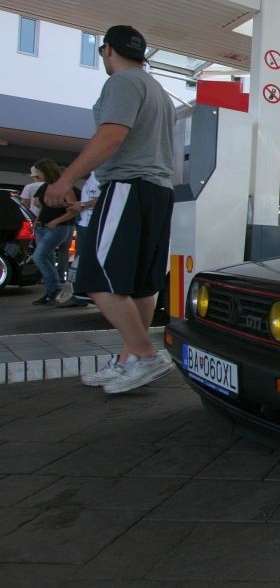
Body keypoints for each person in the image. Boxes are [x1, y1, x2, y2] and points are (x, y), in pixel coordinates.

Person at [44, 25, 176, 394]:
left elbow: (111, 136)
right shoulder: (158, 92)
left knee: (95, 277)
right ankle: (129, 361)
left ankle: (145, 356)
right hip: (158, 191)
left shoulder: (123, 82)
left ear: (107, 50)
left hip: (128, 187)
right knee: (140, 284)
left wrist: (66, 179)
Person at [29, 159, 79, 305]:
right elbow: (41, 206)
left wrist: (56, 221)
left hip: (57, 227)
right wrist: (37, 220)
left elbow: (74, 209)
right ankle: (52, 291)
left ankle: (54, 290)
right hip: (43, 226)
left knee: (40, 257)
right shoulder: (45, 186)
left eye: (38, 172)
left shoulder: (63, 187)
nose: (37, 175)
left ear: (45, 171)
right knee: (47, 257)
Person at [55, 171, 102, 308]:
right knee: (80, 261)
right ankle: (80, 293)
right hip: (85, 224)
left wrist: (82, 205)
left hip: (92, 225)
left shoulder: (102, 176)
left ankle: (82, 294)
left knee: (83, 260)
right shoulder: (93, 176)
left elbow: (105, 198)